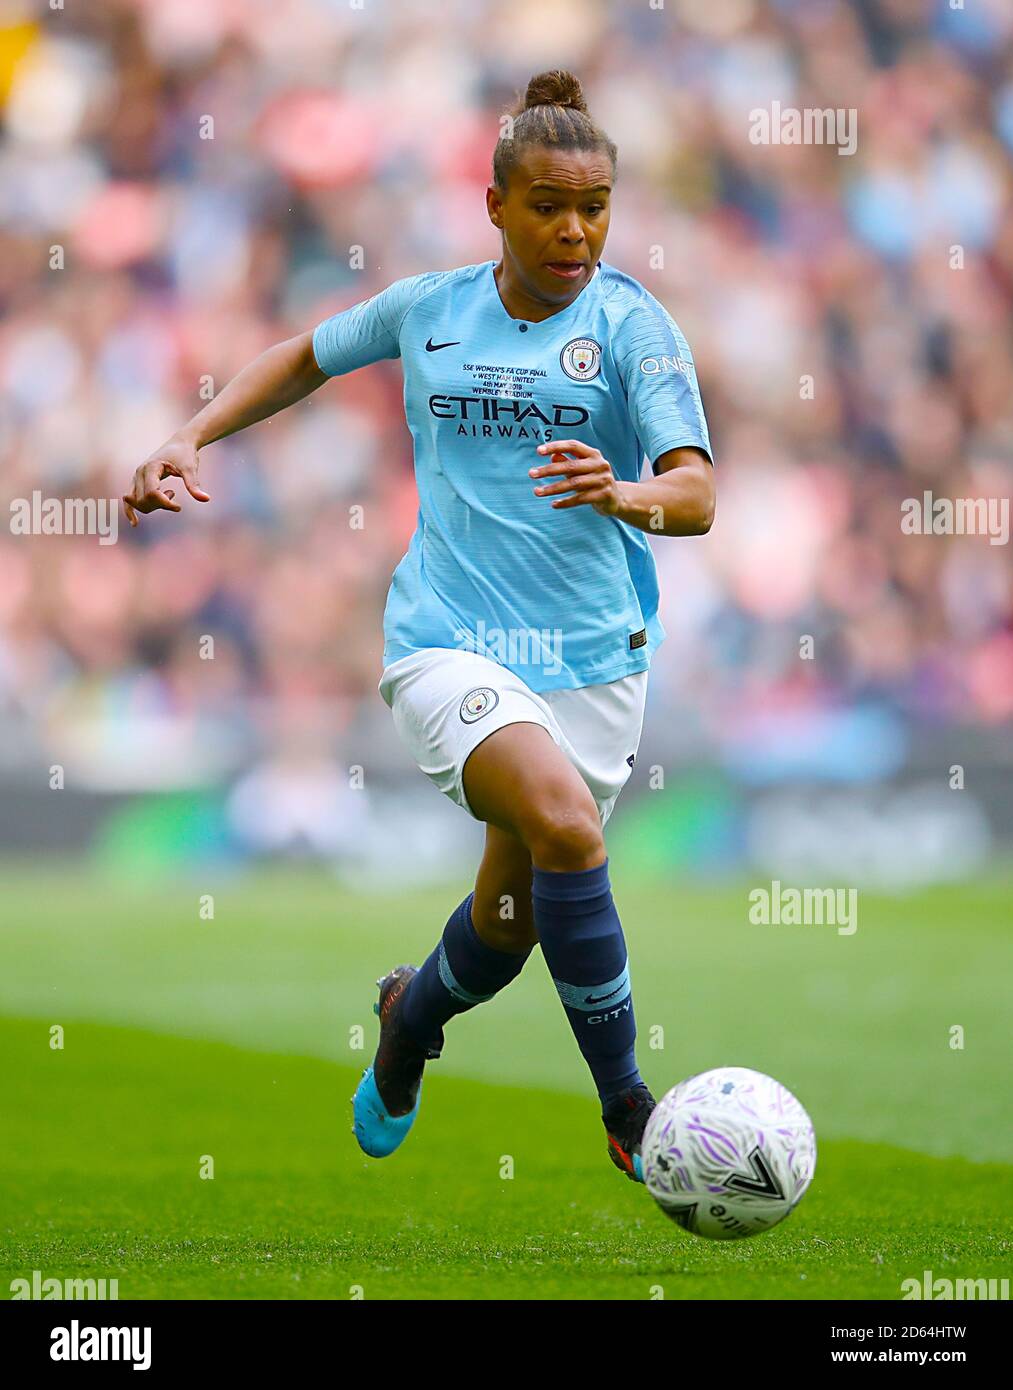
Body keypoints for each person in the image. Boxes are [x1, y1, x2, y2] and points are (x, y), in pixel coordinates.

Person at [123, 68, 715, 1183]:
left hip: (592, 664)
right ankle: (627, 1104)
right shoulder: (429, 308)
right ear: (493, 203)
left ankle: (409, 1018)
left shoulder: (635, 329)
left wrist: (622, 492)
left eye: (593, 207)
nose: (573, 229)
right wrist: (191, 434)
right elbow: (304, 356)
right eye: (547, 204)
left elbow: (693, 493)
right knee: (569, 833)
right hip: (447, 641)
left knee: (507, 919)